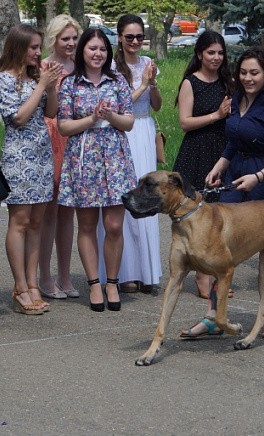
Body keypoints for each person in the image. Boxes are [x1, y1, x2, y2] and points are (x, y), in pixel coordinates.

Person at [187, 46, 264, 339]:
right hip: (237, 177)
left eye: (255, 73)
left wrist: (258, 176)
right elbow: (233, 142)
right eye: (244, 72)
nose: (248, 78)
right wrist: (218, 167)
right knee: (217, 250)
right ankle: (213, 316)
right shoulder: (236, 100)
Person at [57, 26, 136, 313]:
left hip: (115, 157)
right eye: (92, 48)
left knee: (114, 225)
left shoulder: (117, 82)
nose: (98, 54)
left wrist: (110, 115)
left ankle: (112, 281)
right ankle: (93, 283)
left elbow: (129, 122)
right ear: (82, 52)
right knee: (87, 225)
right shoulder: (70, 84)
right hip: (84, 158)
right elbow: (64, 126)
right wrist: (91, 118)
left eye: (103, 49)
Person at [0, 24, 61, 315]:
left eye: (39, 47)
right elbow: (18, 117)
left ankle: (33, 284)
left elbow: (51, 112)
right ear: (18, 47)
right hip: (19, 158)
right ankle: (20, 285)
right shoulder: (2, 80)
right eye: (33, 47)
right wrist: (43, 85)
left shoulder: (35, 78)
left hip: (42, 155)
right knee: (19, 222)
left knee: (36, 223)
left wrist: (51, 86)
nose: (38, 52)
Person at [171, 31, 234, 299]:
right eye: (211, 53)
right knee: (197, 216)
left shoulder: (228, 81)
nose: (216, 58)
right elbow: (185, 122)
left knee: (220, 217)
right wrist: (216, 115)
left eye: (220, 53)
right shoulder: (191, 82)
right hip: (197, 149)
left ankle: (216, 273)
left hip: (222, 149)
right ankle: (200, 275)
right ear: (199, 54)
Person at [106, 14, 162, 295]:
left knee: (148, 196)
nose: (136, 42)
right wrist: (141, 84)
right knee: (125, 197)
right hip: (123, 131)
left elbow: (158, 105)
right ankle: (126, 271)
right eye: (130, 37)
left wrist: (151, 84)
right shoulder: (112, 66)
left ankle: (147, 270)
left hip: (145, 129)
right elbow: (120, 104)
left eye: (140, 36)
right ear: (119, 37)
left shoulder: (148, 63)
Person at [36, 14, 82, 301]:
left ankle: (65, 275)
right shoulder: (42, 67)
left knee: (69, 212)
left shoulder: (80, 67)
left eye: (74, 38)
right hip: (50, 135)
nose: (71, 43)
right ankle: (44, 276)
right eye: (65, 38)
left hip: (76, 137)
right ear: (53, 39)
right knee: (49, 213)